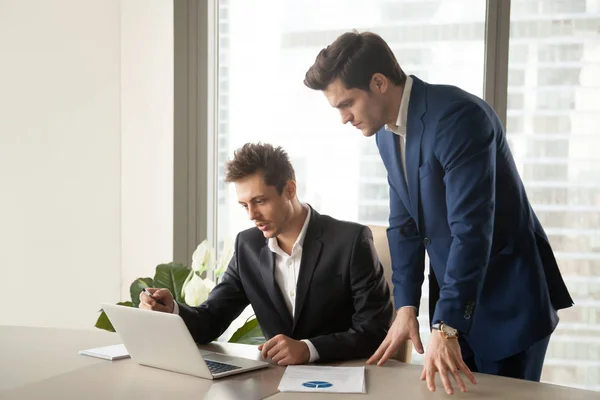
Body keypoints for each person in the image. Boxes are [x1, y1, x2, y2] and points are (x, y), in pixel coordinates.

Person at [303, 30, 573, 393]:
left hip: (508, 304)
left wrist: (446, 326)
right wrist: (406, 307)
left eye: (346, 103)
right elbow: (404, 226)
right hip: (456, 305)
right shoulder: (386, 133)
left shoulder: (458, 118)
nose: (343, 118)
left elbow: (471, 230)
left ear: (379, 83)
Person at [140, 142, 393, 365]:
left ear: (290, 190)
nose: (252, 215)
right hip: (273, 383)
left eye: (260, 201)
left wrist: (308, 349)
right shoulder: (247, 246)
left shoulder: (350, 241)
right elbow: (211, 319)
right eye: (244, 205)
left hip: (341, 379)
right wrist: (172, 309)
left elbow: (374, 330)